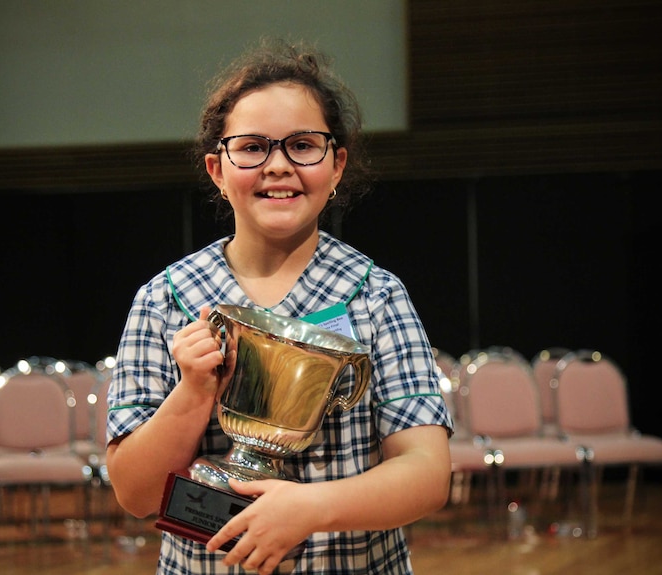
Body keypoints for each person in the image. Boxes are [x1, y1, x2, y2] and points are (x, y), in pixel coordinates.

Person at [106, 38, 453, 575]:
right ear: (217, 170)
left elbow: (428, 474)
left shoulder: (377, 295)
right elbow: (135, 493)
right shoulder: (165, 299)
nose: (277, 166)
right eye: (251, 147)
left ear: (336, 166)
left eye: (302, 145)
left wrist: (309, 509)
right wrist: (194, 391)